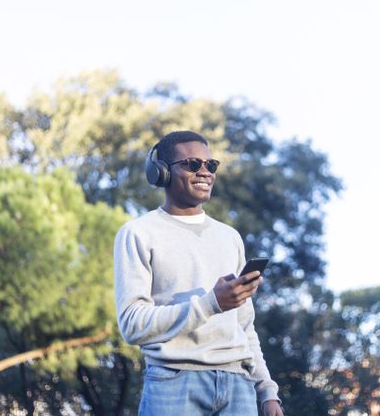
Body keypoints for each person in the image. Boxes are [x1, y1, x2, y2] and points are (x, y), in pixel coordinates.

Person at [114, 130, 283, 416]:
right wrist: (211, 304)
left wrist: (266, 390)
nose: (205, 172)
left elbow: (244, 325)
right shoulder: (138, 234)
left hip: (238, 387)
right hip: (173, 382)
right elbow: (132, 324)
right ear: (161, 173)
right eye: (193, 164)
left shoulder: (230, 237)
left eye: (211, 165)